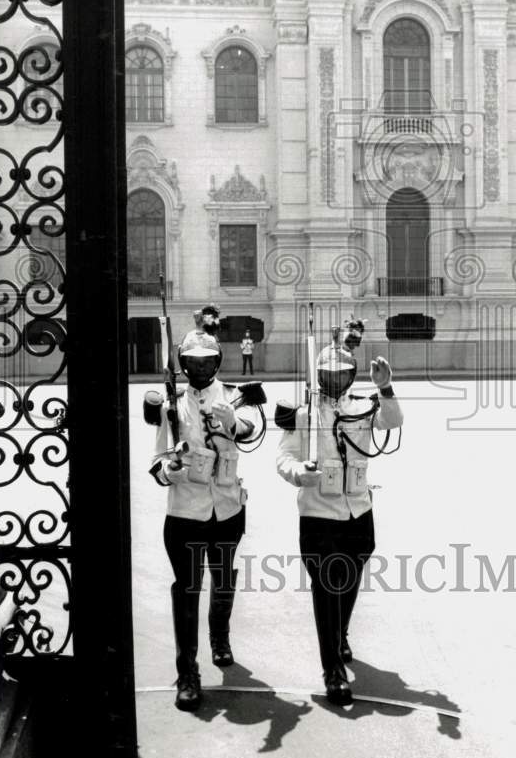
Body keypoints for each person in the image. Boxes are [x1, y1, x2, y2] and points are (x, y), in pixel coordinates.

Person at [275, 320, 403, 705]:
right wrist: (300, 473)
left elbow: (394, 422)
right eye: (327, 375)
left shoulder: (364, 407)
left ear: (351, 375)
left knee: (348, 586)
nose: (334, 380)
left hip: (358, 511)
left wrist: (385, 387)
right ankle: (332, 669)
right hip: (318, 514)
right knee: (326, 589)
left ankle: (339, 635)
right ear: (318, 375)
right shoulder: (302, 413)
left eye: (342, 374)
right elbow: (284, 457)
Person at [149, 305, 262, 712]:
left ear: (217, 362)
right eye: (192, 362)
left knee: (223, 578)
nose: (199, 368)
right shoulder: (171, 404)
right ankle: (187, 672)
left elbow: (252, 432)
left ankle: (220, 637)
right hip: (185, 512)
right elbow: (158, 459)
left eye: (207, 361)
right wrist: (170, 469)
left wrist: (232, 423)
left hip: (228, 508)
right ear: (183, 364)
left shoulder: (234, 395)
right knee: (187, 588)